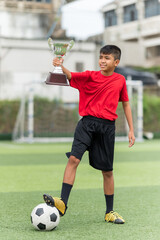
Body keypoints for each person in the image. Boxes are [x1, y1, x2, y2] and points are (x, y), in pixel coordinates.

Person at [43, 45, 135, 224]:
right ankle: (62, 202)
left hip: (107, 128)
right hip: (86, 124)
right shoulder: (90, 76)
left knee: (107, 171)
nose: (102, 60)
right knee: (74, 160)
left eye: (107, 58)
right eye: (101, 57)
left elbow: (125, 103)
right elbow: (70, 75)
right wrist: (59, 65)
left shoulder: (120, 80)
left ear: (116, 62)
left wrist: (131, 129)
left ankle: (110, 212)